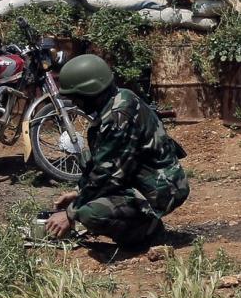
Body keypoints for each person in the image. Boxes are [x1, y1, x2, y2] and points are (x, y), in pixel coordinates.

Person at [45, 54, 190, 248]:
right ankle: (142, 222)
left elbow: (108, 174)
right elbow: (103, 164)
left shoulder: (118, 114)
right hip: (144, 180)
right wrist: (79, 192)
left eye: (76, 97)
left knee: (89, 214)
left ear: (89, 92)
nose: (75, 103)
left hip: (164, 188)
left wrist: (71, 213)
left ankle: (148, 232)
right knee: (87, 160)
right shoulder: (116, 101)